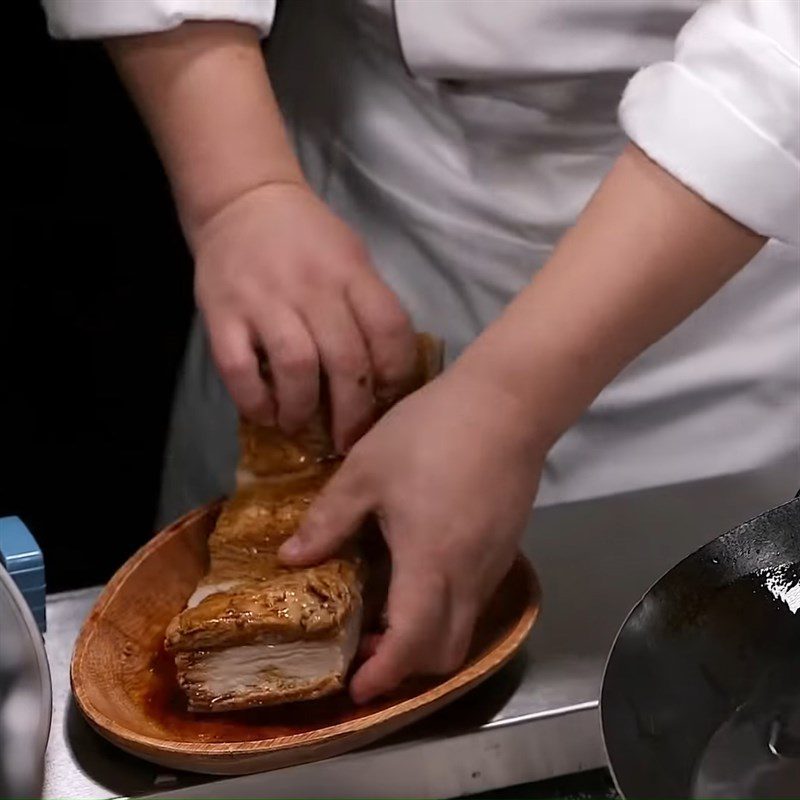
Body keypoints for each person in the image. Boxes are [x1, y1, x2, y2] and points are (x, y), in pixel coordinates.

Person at [43, 0, 799, 703]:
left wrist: (508, 403)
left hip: (725, 248)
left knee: (698, 692)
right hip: (346, 176)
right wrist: (240, 195)